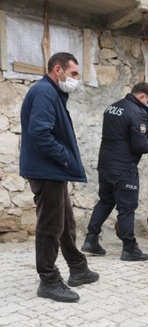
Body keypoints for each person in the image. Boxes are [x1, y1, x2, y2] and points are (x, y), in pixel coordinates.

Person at [19, 52, 99, 303]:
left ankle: (78, 268)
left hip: (52, 170)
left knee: (66, 222)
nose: (76, 79)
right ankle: (49, 280)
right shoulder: (44, 92)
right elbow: (40, 133)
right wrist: (65, 157)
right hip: (47, 170)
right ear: (58, 69)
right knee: (51, 226)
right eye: (73, 74)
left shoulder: (53, 93)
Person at [80, 82, 148, 261]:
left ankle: (91, 239)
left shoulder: (112, 107)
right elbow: (139, 145)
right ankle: (129, 248)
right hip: (124, 167)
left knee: (105, 201)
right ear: (141, 97)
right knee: (127, 207)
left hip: (106, 164)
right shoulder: (137, 113)